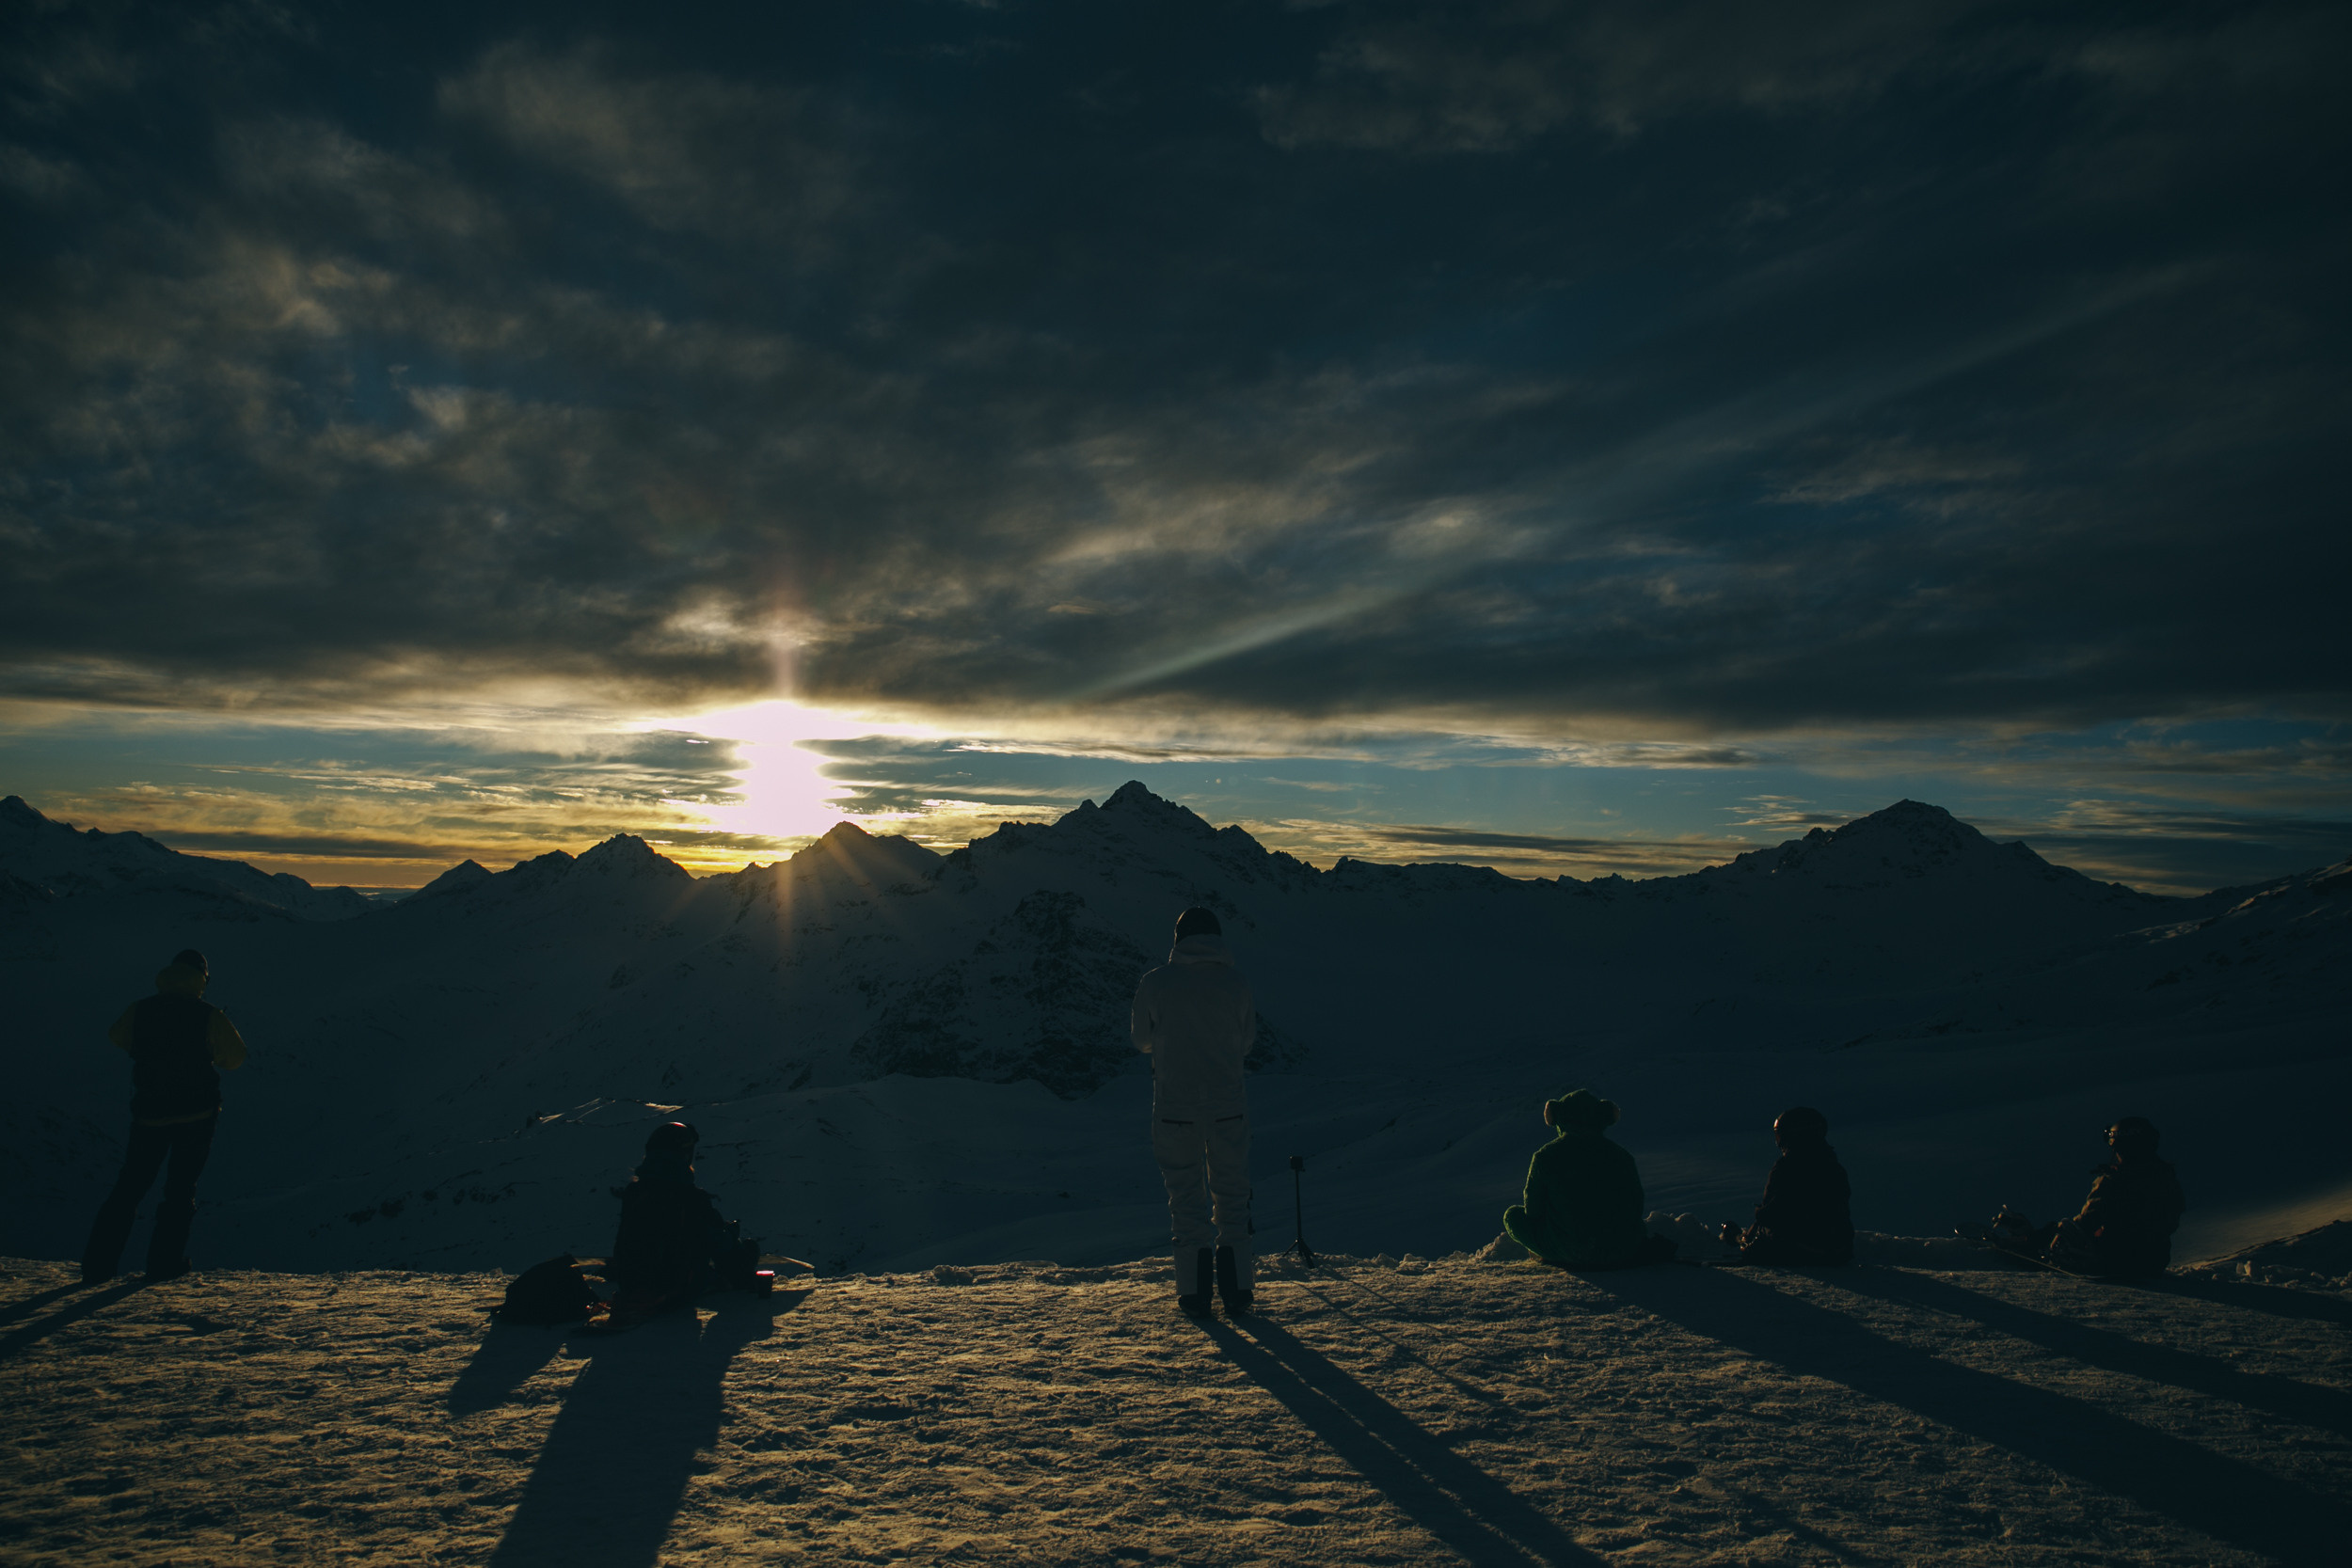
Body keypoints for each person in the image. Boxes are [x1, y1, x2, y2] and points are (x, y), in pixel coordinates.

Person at [80, 948, 246, 1283]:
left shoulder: (140, 1009)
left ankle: (98, 1265)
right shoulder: (207, 1014)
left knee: (130, 1186)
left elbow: (118, 1037)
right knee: (180, 1189)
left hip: (150, 1115)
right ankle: (164, 1263)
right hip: (197, 1115)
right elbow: (235, 1058)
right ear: (202, 978)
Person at [1131, 906, 1256, 1316]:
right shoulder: (1236, 984)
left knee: (1185, 1200)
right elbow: (1247, 1043)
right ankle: (1238, 1291)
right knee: (1232, 1198)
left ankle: (1194, 1293)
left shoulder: (1156, 983)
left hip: (1174, 1109)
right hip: (1228, 1108)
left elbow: (1141, 1040)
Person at [603, 1121, 761, 1319]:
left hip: (630, 1284)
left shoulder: (635, 1193)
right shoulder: (691, 1198)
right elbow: (720, 1247)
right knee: (745, 1250)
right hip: (675, 1288)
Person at [1991, 1117, 2185, 1276]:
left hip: (2116, 1261)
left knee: (2067, 1229)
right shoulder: (2164, 1176)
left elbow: (2087, 1220)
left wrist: (2053, 1234)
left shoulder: (2113, 1180)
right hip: (2154, 1260)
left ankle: (2022, 1242)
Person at [1503, 1089, 1675, 1269]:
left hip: (1568, 1250)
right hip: (1621, 1250)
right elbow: (1635, 1205)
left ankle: (1549, 1254)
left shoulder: (1545, 1157)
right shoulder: (1621, 1156)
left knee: (1512, 1215)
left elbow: (1533, 1211)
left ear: (1557, 1117)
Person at [1717, 1106, 1853, 1265]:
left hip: (1800, 1251)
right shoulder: (1834, 1167)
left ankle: (1740, 1239)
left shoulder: (1786, 1167)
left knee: (1761, 1232)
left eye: (1779, 1135)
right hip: (1839, 1251)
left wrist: (1759, 1215)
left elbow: (1769, 1215)